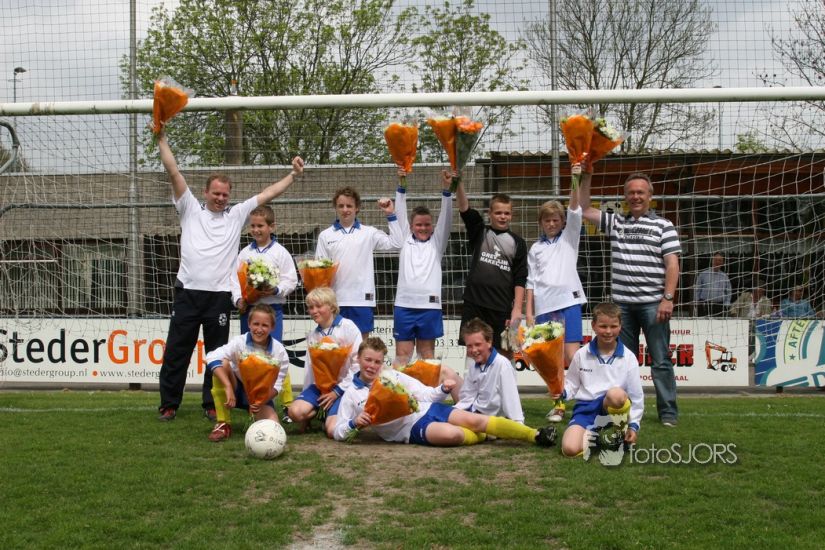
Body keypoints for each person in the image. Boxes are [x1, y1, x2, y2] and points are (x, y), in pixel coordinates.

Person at [156, 130, 304, 422]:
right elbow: (174, 172)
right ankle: (169, 403)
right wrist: (161, 140)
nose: (221, 198)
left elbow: (268, 194)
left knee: (217, 354)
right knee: (177, 350)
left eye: (225, 194)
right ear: (206, 192)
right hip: (188, 292)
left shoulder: (236, 215)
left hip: (220, 297)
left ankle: (212, 404)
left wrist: (293, 175)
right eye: (216, 193)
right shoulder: (189, 207)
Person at [579, 167, 681, 427]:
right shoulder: (616, 222)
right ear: (625, 196)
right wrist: (587, 176)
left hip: (653, 304)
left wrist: (668, 298)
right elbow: (584, 208)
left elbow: (672, 264)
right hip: (621, 306)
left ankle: (668, 413)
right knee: (623, 362)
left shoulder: (664, 226)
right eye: (631, 193)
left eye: (640, 192)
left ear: (650, 196)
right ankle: (623, 409)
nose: (636, 197)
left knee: (660, 360)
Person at [333, 337, 557, 448]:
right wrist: (354, 423)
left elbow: (424, 394)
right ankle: (487, 434)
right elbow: (338, 431)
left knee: (474, 419)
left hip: (428, 409)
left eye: (377, 361)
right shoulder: (352, 394)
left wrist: (442, 389)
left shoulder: (391, 376)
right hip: (409, 429)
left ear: (383, 362)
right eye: (368, 360)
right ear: (358, 359)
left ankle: (535, 435)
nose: (372, 366)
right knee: (453, 435)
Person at [525, 164, 587, 423]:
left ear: (562, 222)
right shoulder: (535, 249)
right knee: (551, 362)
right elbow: (531, 282)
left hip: (569, 304)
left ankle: (587, 399)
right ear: (541, 222)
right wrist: (529, 312)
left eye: (556, 220)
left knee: (573, 357)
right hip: (544, 308)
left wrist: (575, 178)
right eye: (547, 220)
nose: (552, 224)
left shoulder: (569, 239)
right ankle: (559, 405)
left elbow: (574, 209)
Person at [230, 204, 299, 420]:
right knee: (249, 356)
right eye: (253, 226)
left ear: (271, 227)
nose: (256, 230)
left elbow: (291, 280)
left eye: (260, 226)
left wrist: (276, 289)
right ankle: (253, 402)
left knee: (274, 356)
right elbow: (234, 280)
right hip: (249, 311)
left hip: (272, 309)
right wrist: (239, 299)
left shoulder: (281, 252)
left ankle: (286, 404)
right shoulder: (244, 253)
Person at [560, 302, 644, 458]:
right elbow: (572, 384)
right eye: (603, 326)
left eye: (613, 326)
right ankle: (593, 434)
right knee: (569, 449)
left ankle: (620, 432)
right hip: (586, 408)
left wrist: (633, 426)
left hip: (613, 406)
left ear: (620, 326)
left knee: (616, 394)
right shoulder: (581, 354)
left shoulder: (628, 357)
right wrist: (562, 392)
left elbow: (636, 396)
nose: (608, 331)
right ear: (593, 326)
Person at [315, 186, 399, 339]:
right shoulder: (325, 235)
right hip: (335, 302)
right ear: (335, 208)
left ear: (357, 208)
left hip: (362, 301)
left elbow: (396, 243)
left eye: (349, 206)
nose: (345, 210)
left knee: (361, 347)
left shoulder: (369, 232)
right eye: (341, 206)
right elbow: (319, 272)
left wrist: (390, 215)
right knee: (334, 346)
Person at [390, 167, 453, 362]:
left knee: (427, 356)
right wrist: (401, 183)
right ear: (411, 226)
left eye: (427, 224)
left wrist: (447, 190)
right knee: (402, 356)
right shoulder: (404, 240)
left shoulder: (437, 242)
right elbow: (400, 212)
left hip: (429, 307)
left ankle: (425, 384)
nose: (423, 228)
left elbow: (446, 217)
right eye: (419, 224)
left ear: (432, 226)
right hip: (404, 306)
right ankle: (400, 384)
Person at [456, 184, 528, 354]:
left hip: (502, 308)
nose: (503, 217)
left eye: (506, 213)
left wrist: (517, 309)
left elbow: (520, 277)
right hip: (474, 304)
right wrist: (458, 183)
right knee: (474, 352)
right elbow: (464, 209)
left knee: (506, 353)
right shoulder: (480, 232)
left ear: (512, 215)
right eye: (498, 213)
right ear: (489, 213)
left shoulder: (518, 243)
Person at [203, 304, 290, 442]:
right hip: (236, 389)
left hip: (260, 396)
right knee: (222, 364)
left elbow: (277, 385)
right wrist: (228, 387)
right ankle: (223, 423)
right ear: (249, 324)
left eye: (265, 325)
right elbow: (211, 357)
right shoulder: (239, 342)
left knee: (274, 429)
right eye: (256, 324)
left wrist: (261, 401)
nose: (259, 329)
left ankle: (256, 417)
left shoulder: (279, 351)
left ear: (272, 327)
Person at [287, 287, 362, 438]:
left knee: (330, 430)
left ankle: (334, 412)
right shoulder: (313, 335)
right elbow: (310, 370)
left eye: (318, 306)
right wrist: (306, 398)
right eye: (310, 307)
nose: (314, 311)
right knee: (294, 413)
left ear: (332, 307)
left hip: (344, 388)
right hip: (319, 387)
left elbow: (357, 365)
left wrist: (337, 391)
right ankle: (318, 411)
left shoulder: (348, 327)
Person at [455, 318, 525, 423]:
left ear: (489, 342)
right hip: (474, 415)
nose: (474, 350)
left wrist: (518, 423)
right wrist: (455, 411)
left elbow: (511, 399)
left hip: (491, 421)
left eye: (477, 344)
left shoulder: (502, 364)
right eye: (469, 346)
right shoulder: (474, 366)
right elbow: (467, 398)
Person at [694, 252, 732, 317]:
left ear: (722, 263)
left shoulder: (725, 276)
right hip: (704, 306)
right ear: (712, 261)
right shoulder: (703, 274)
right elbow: (697, 290)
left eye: (720, 260)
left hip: (719, 307)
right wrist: (697, 303)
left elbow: (728, 291)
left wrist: (726, 304)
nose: (717, 262)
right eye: (715, 260)